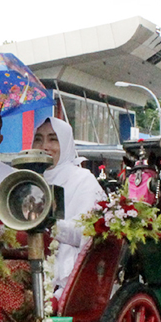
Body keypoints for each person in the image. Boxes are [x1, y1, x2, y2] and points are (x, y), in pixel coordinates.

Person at [30, 115, 107, 289]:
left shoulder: (83, 180)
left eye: (53, 139)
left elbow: (87, 233)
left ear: (65, 144)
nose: (44, 146)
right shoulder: (26, 179)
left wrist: (49, 223)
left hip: (66, 274)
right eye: (38, 139)